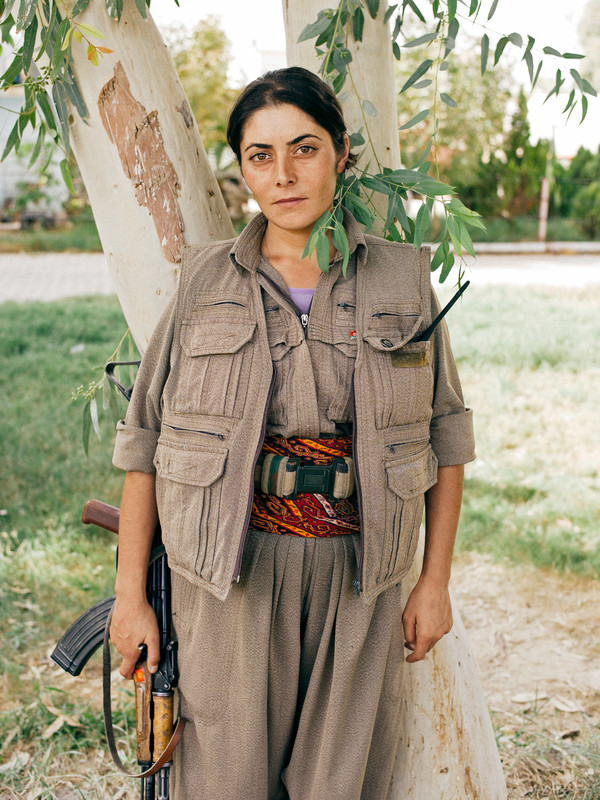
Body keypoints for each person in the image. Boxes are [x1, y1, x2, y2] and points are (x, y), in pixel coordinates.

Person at [110, 66, 475, 800]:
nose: (282, 175)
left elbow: (447, 438)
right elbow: (145, 440)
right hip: (227, 579)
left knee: (340, 785)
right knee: (224, 782)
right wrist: (130, 596)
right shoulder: (204, 280)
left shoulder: (403, 281)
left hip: (360, 579)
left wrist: (432, 583)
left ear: (341, 153)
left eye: (304, 149)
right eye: (260, 155)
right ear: (241, 166)